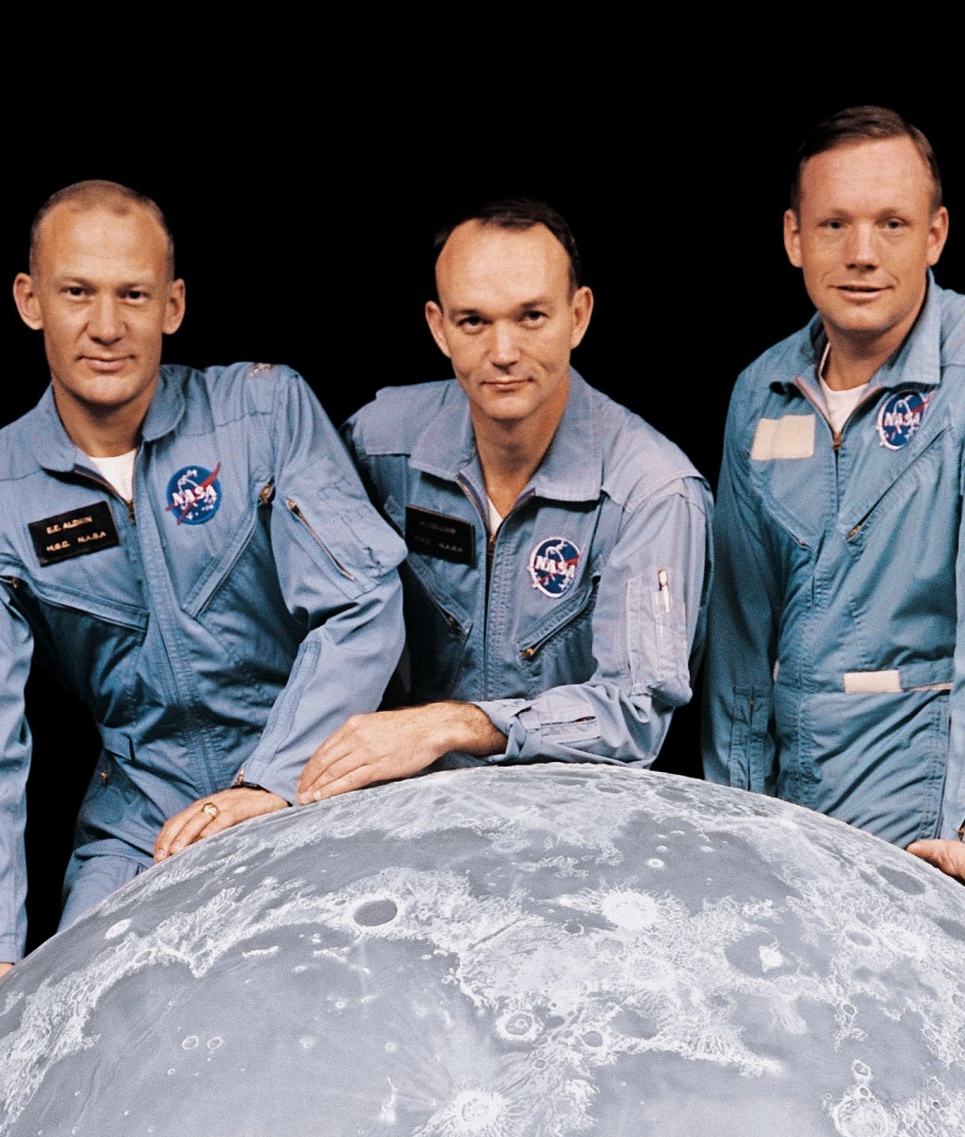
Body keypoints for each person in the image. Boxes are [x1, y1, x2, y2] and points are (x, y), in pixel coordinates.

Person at [0, 179, 406, 1056]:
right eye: (77, 292)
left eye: (133, 295)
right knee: (77, 1033)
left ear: (172, 306)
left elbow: (361, 605)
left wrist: (271, 784)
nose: (106, 325)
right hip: (143, 807)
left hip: (313, 765)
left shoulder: (263, 413)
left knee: (361, 1019)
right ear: (30, 301)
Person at [703, 107, 965, 931]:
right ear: (793, 237)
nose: (862, 253)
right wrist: (731, 823)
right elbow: (737, 639)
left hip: (921, 809)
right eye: (834, 224)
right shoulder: (761, 390)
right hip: (784, 813)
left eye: (892, 223)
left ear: (935, 234)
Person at [296, 200, 710, 802]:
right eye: (473, 321)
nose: (504, 351)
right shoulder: (381, 446)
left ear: (579, 316)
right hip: (404, 808)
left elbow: (634, 714)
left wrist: (450, 724)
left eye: (531, 316)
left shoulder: (652, 492)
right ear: (438, 327)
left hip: (569, 815)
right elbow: (308, 618)